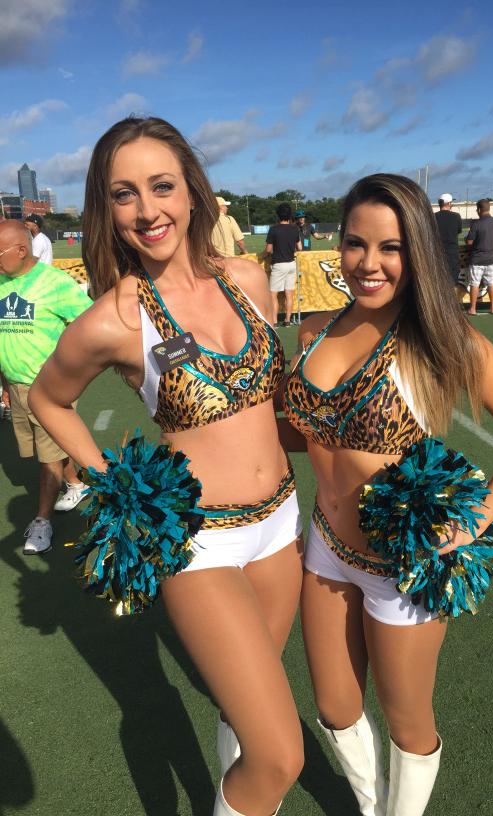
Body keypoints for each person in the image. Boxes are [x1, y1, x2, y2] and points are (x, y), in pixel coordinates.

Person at [28, 117, 304, 816]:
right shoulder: (115, 318)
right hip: (198, 541)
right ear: (107, 209)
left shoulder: (247, 279)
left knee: (244, 714)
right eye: (124, 194)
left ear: (191, 191)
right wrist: (112, 483)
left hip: (282, 524)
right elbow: (47, 398)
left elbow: (274, 403)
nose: (147, 210)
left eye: (161, 186)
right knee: (281, 756)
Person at [283, 173, 493, 816]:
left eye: (391, 248)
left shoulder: (441, 340)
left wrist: (473, 522)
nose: (369, 263)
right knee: (335, 707)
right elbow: (306, 433)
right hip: (326, 546)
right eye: (356, 243)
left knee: (407, 721)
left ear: (418, 254)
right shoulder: (313, 331)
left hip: (403, 564)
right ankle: (368, 803)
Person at [0, 220, 91, 554]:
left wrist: (67, 373)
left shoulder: (56, 283)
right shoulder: (1, 282)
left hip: (48, 390)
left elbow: (88, 327)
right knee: (46, 449)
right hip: (16, 386)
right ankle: (77, 483)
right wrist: (5, 385)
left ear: (21, 250)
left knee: (47, 459)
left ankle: (42, 521)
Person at [261, 203, 301, 327]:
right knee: (289, 294)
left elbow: (268, 250)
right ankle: (287, 320)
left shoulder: (273, 229)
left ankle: (274, 321)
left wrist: (260, 256)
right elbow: (299, 247)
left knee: (273, 295)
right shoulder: (295, 229)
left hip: (279, 265)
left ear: (278, 215)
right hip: (291, 264)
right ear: (290, 215)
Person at [465, 198, 493, 315]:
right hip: (491, 259)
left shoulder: (476, 224)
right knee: (492, 283)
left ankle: (473, 309)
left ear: (479, 210)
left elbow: (469, 242)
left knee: (474, 284)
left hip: (477, 259)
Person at [433, 193, 462, 287]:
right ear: (449, 203)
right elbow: (459, 231)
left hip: (437, 253)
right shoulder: (456, 216)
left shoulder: (433, 216)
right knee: (452, 282)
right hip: (452, 254)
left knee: (438, 281)